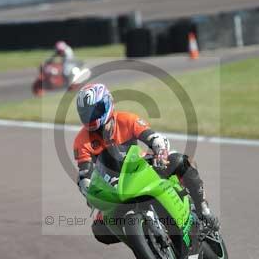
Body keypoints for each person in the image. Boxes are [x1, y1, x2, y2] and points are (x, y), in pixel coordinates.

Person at [72, 83, 220, 244]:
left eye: (96, 110)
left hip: (142, 167)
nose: (91, 117)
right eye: (86, 113)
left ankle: (203, 210)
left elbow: (152, 137)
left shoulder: (127, 119)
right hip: (114, 186)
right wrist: (88, 190)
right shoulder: (81, 141)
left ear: (108, 103)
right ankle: (142, 239)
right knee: (99, 229)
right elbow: (84, 172)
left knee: (182, 161)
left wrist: (159, 151)